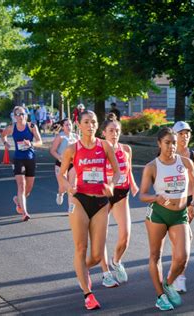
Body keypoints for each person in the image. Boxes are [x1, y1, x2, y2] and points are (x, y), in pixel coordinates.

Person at [58, 110, 121, 310]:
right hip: (79, 200)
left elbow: (117, 171)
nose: (91, 125)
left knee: (95, 255)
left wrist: (111, 184)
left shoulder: (105, 146)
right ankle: (88, 294)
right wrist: (68, 187)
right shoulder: (71, 149)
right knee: (80, 247)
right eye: (86, 122)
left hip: (101, 201)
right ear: (79, 124)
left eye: (93, 122)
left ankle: (81, 271)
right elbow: (61, 174)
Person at [139, 127, 194, 311]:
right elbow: (142, 195)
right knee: (155, 255)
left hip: (179, 214)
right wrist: (155, 198)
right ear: (159, 144)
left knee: (182, 257)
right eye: (167, 143)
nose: (171, 146)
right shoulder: (152, 167)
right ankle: (160, 296)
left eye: (174, 142)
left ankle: (168, 283)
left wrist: (193, 203)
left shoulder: (186, 163)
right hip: (158, 214)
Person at [99, 113, 139, 288]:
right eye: (111, 130)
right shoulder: (100, 150)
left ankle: (116, 261)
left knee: (125, 235)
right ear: (103, 133)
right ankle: (106, 273)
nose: (114, 133)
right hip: (103, 195)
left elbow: (127, 169)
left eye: (117, 130)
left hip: (123, 193)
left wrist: (134, 183)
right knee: (101, 235)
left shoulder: (126, 149)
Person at [171, 121, 194, 293]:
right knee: (183, 239)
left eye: (187, 134)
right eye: (180, 134)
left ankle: (177, 275)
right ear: (174, 136)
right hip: (173, 201)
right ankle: (178, 275)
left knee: (182, 239)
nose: (184, 137)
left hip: (190, 201)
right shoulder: (169, 154)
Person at [1, 106, 43, 222]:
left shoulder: (31, 126)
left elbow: (40, 141)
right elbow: (3, 134)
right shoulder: (12, 127)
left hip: (30, 159)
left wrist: (31, 144)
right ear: (14, 117)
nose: (21, 116)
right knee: (21, 185)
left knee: (28, 190)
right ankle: (25, 213)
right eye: (18, 114)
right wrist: (5, 143)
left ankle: (18, 200)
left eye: (23, 114)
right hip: (18, 159)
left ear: (26, 115)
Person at [49, 118, 79, 206]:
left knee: (72, 187)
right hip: (61, 164)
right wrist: (59, 157)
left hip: (73, 164)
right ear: (62, 127)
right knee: (63, 187)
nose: (69, 127)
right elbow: (52, 150)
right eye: (66, 125)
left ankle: (71, 210)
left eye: (70, 124)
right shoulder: (60, 137)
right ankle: (60, 193)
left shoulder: (76, 137)